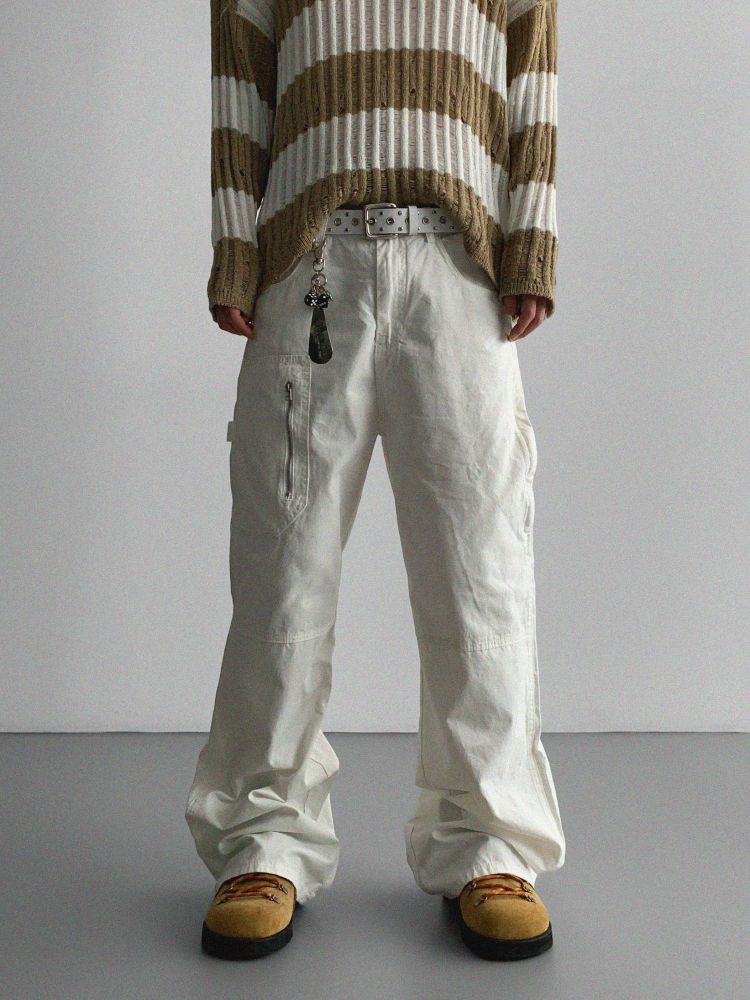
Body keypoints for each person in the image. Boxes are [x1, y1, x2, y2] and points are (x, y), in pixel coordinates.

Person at [185, 0, 565, 962]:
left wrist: (530, 240)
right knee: (282, 571)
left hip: (459, 267)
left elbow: (532, 84)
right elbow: (239, 88)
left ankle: (489, 844)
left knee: (480, 574)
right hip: (309, 262)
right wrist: (236, 248)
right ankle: (262, 841)